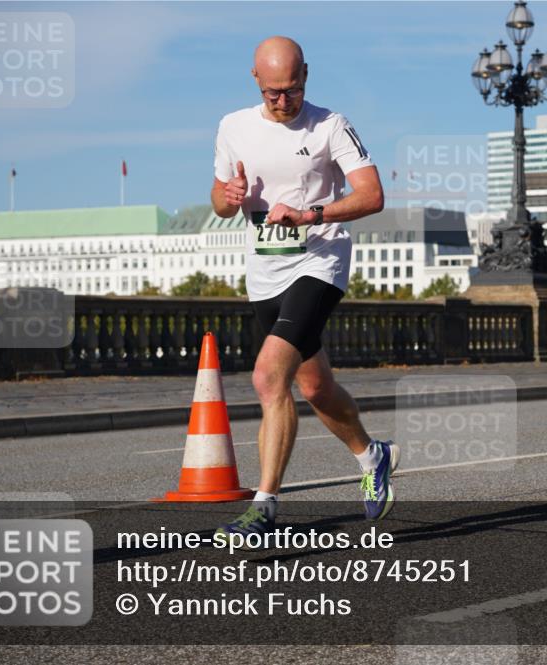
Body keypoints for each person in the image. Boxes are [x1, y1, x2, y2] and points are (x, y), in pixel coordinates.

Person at [209, 36, 397, 537]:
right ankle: (372, 454)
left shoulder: (331, 125)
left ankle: (264, 506)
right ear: (255, 80)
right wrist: (228, 198)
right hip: (265, 270)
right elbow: (221, 200)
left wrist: (310, 214)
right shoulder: (233, 126)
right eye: (272, 91)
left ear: (306, 76)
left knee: (269, 377)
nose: (282, 101)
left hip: (319, 262)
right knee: (314, 387)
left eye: (290, 89)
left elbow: (372, 195)